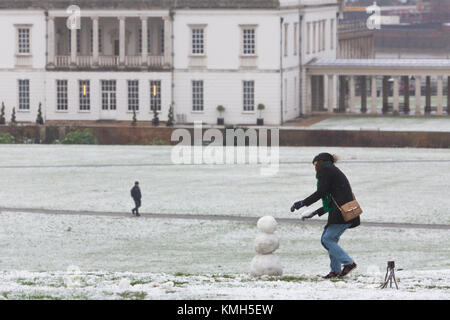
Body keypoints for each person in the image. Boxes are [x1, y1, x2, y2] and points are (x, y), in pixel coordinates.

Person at [290, 153, 360, 279]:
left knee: (327, 239)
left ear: (322, 162)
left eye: (316, 164)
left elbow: (321, 192)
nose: (315, 167)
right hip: (344, 211)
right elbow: (333, 197)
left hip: (341, 213)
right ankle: (335, 271)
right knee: (330, 240)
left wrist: (303, 203)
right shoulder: (333, 170)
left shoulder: (326, 170)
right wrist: (315, 212)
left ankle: (348, 263)